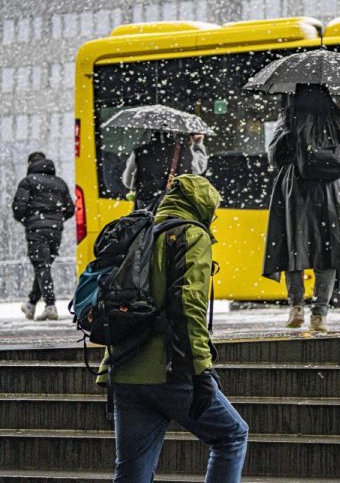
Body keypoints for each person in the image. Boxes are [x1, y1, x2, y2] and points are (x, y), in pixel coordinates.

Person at [98, 174, 248, 482]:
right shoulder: (191, 234)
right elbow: (188, 306)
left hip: (124, 368)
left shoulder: (140, 231)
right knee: (231, 435)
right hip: (167, 367)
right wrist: (201, 370)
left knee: (132, 470)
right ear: (202, 205)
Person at [263, 85, 340, 332]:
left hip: (295, 187)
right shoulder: (339, 117)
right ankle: (320, 315)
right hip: (331, 189)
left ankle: (296, 306)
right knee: (329, 250)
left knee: (294, 245)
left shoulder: (289, 116)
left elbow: (274, 156)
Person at [13, 152, 75, 321]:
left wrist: (29, 221)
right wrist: (56, 220)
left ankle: (50, 306)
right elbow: (70, 209)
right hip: (55, 230)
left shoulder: (27, 182)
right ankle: (31, 304)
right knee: (43, 266)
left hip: (36, 228)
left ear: (30, 164)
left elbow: (18, 209)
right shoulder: (60, 183)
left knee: (41, 266)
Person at [122, 131, 208, 209]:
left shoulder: (139, 151)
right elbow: (200, 168)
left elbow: (128, 182)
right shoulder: (185, 151)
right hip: (176, 207)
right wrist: (197, 144)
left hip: (145, 208)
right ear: (174, 133)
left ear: (151, 132)